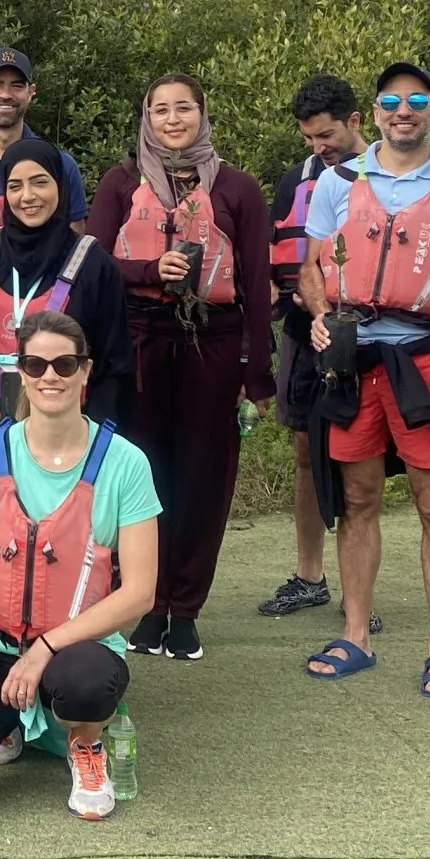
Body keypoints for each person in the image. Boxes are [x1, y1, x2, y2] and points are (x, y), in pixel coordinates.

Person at [0, 313, 161, 822]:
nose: (51, 375)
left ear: (86, 371)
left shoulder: (126, 462)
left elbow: (140, 594)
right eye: (36, 363)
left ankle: (85, 740)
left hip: (75, 652)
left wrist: (46, 646)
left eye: (65, 363)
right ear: (20, 372)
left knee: (84, 683)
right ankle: (11, 722)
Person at [297, 64, 430, 699]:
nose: (402, 111)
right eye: (390, 101)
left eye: (416, 101)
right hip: (354, 362)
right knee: (358, 499)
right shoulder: (337, 181)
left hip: (429, 362)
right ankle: (355, 634)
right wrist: (321, 316)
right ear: (372, 113)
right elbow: (312, 268)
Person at [0, 138, 131, 686]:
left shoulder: (92, 265)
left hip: (56, 435)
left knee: (52, 547)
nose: (26, 195)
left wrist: (99, 442)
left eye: (40, 182)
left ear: (62, 188)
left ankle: (61, 668)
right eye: (14, 184)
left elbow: (111, 363)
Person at [91, 73, 273, 661]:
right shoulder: (120, 182)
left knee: (203, 475)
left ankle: (184, 608)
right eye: (161, 109)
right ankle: (143, 604)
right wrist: (148, 270)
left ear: (202, 114)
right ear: (146, 116)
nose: (173, 119)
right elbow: (91, 264)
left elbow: (256, 282)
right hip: (139, 339)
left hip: (212, 342)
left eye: (184, 108)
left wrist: (257, 374)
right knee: (142, 476)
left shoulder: (237, 189)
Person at [258, 73, 371, 627]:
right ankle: (309, 576)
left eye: (325, 135)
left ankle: (359, 590)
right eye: (308, 138)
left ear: (356, 121)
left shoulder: (392, 175)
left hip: (371, 335)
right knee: (305, 452)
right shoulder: (295, 180)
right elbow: (284, 262)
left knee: (357, 459)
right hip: (305, 332)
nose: (317, 147)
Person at [0, 46, 89, 222]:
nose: (6, 94)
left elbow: (74, 238)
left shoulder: (61, 165)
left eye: (16, 86)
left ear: (30, 92)